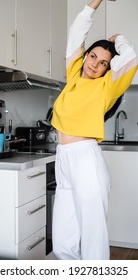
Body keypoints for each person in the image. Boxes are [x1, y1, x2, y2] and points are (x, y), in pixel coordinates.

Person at [51, 0, 138, 260]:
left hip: (85, 159)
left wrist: (118, 39)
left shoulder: (107, 87)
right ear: (85, 55)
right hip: (63, 159)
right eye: (93, 56)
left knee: (92, 242)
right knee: (63, 246)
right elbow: (78, 29)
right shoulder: (73, 76)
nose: (95, 64)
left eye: (103, 63)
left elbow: (132, 58)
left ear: (107, 69)